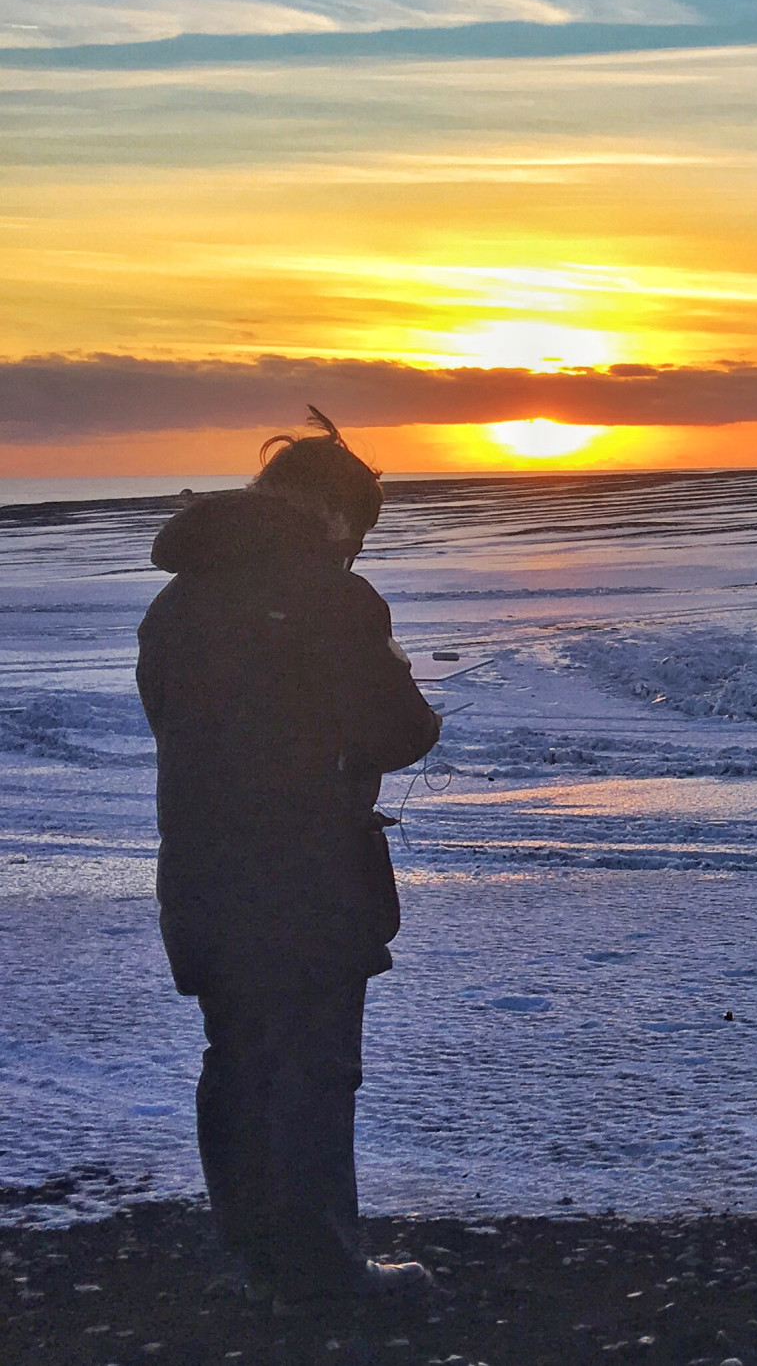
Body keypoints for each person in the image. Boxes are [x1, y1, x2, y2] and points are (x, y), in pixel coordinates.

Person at [137, 408, 442, 1302]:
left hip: (201, 869)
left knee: (237, 1064)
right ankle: (326, 1274)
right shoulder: (333, 597)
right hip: (305, 875)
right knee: (310, 1069)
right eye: (358, 534)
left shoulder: (177, 600)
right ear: (337, 519)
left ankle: (260, 1264)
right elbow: (400, 728)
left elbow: (180, 726)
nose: (355, 551)